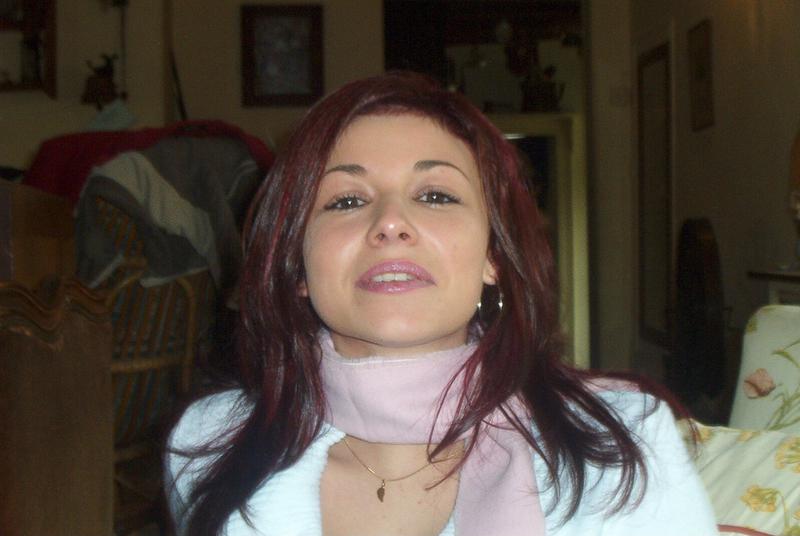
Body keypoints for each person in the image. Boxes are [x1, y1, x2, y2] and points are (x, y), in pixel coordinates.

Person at [165, 72, 718, 536]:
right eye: (347, 200)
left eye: (435, 195)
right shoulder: (208, 445)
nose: (390, 223)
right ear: (297, 267)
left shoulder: (623, 445)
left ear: (493, 257)